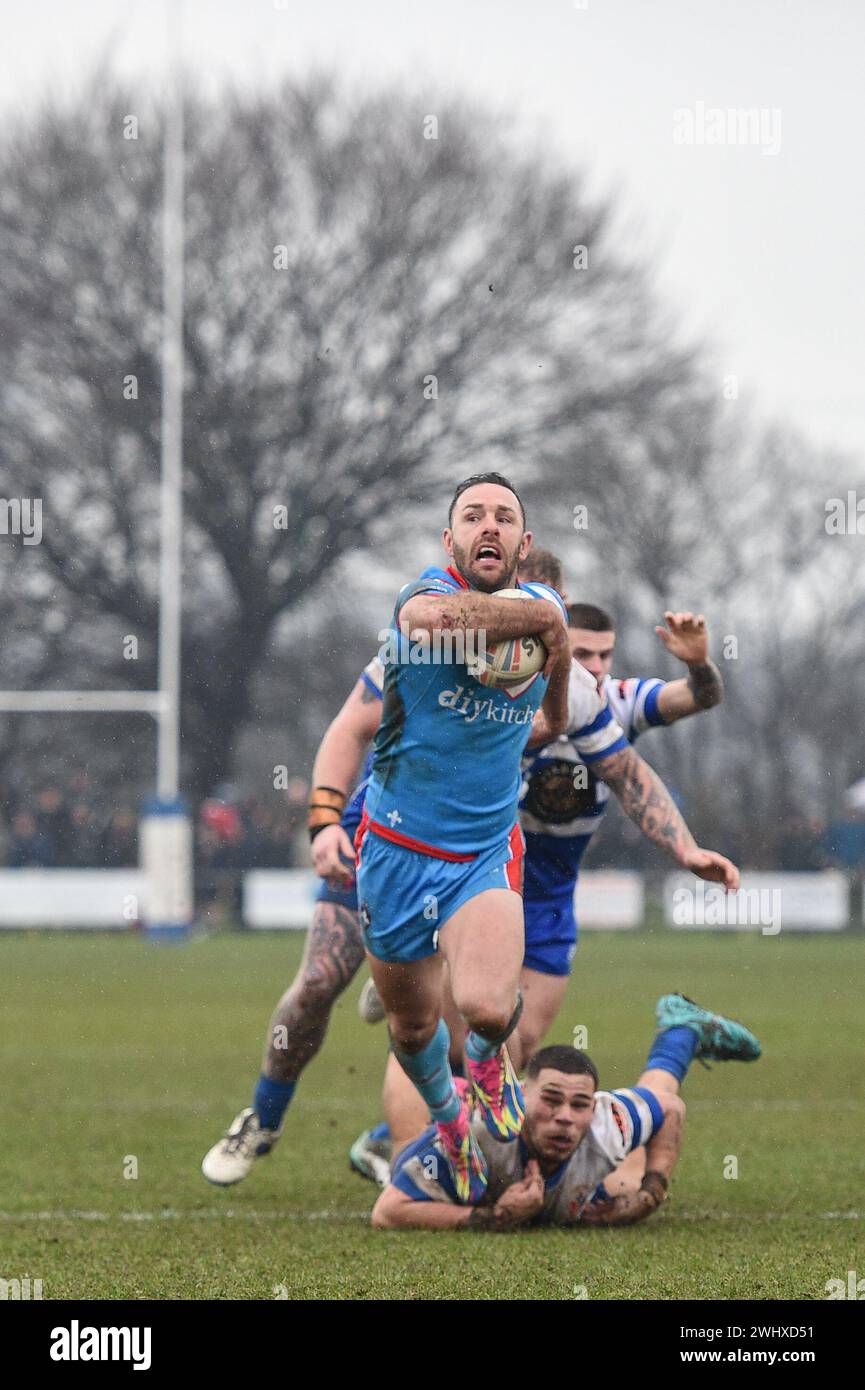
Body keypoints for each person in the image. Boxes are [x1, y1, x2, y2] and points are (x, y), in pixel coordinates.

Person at [202, 513, 736, 1194]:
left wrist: (686, 846)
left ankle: (418, 1137)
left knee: (490, 1024)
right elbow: (349, 726)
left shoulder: (580, 694)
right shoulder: (424, 646)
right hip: (381, 840)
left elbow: (632, 771)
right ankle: (265, 1117)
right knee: (314, 987)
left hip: (475, 861)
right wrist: (324, 821)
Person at [370, 992, 761, 1230]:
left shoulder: (607, 1124)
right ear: (520, 1095)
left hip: (580, 1165)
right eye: (551, 1100)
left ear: (593, 1107)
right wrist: (492, 1219)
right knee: (408, 1146)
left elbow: (670, 1109)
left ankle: (682, 1029)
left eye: (579, 1105)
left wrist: (650, 1193)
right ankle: (406, 994)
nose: (565, 1117)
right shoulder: (476, 1137)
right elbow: (388, 1212)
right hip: (458, 1136)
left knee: (625, 1186)